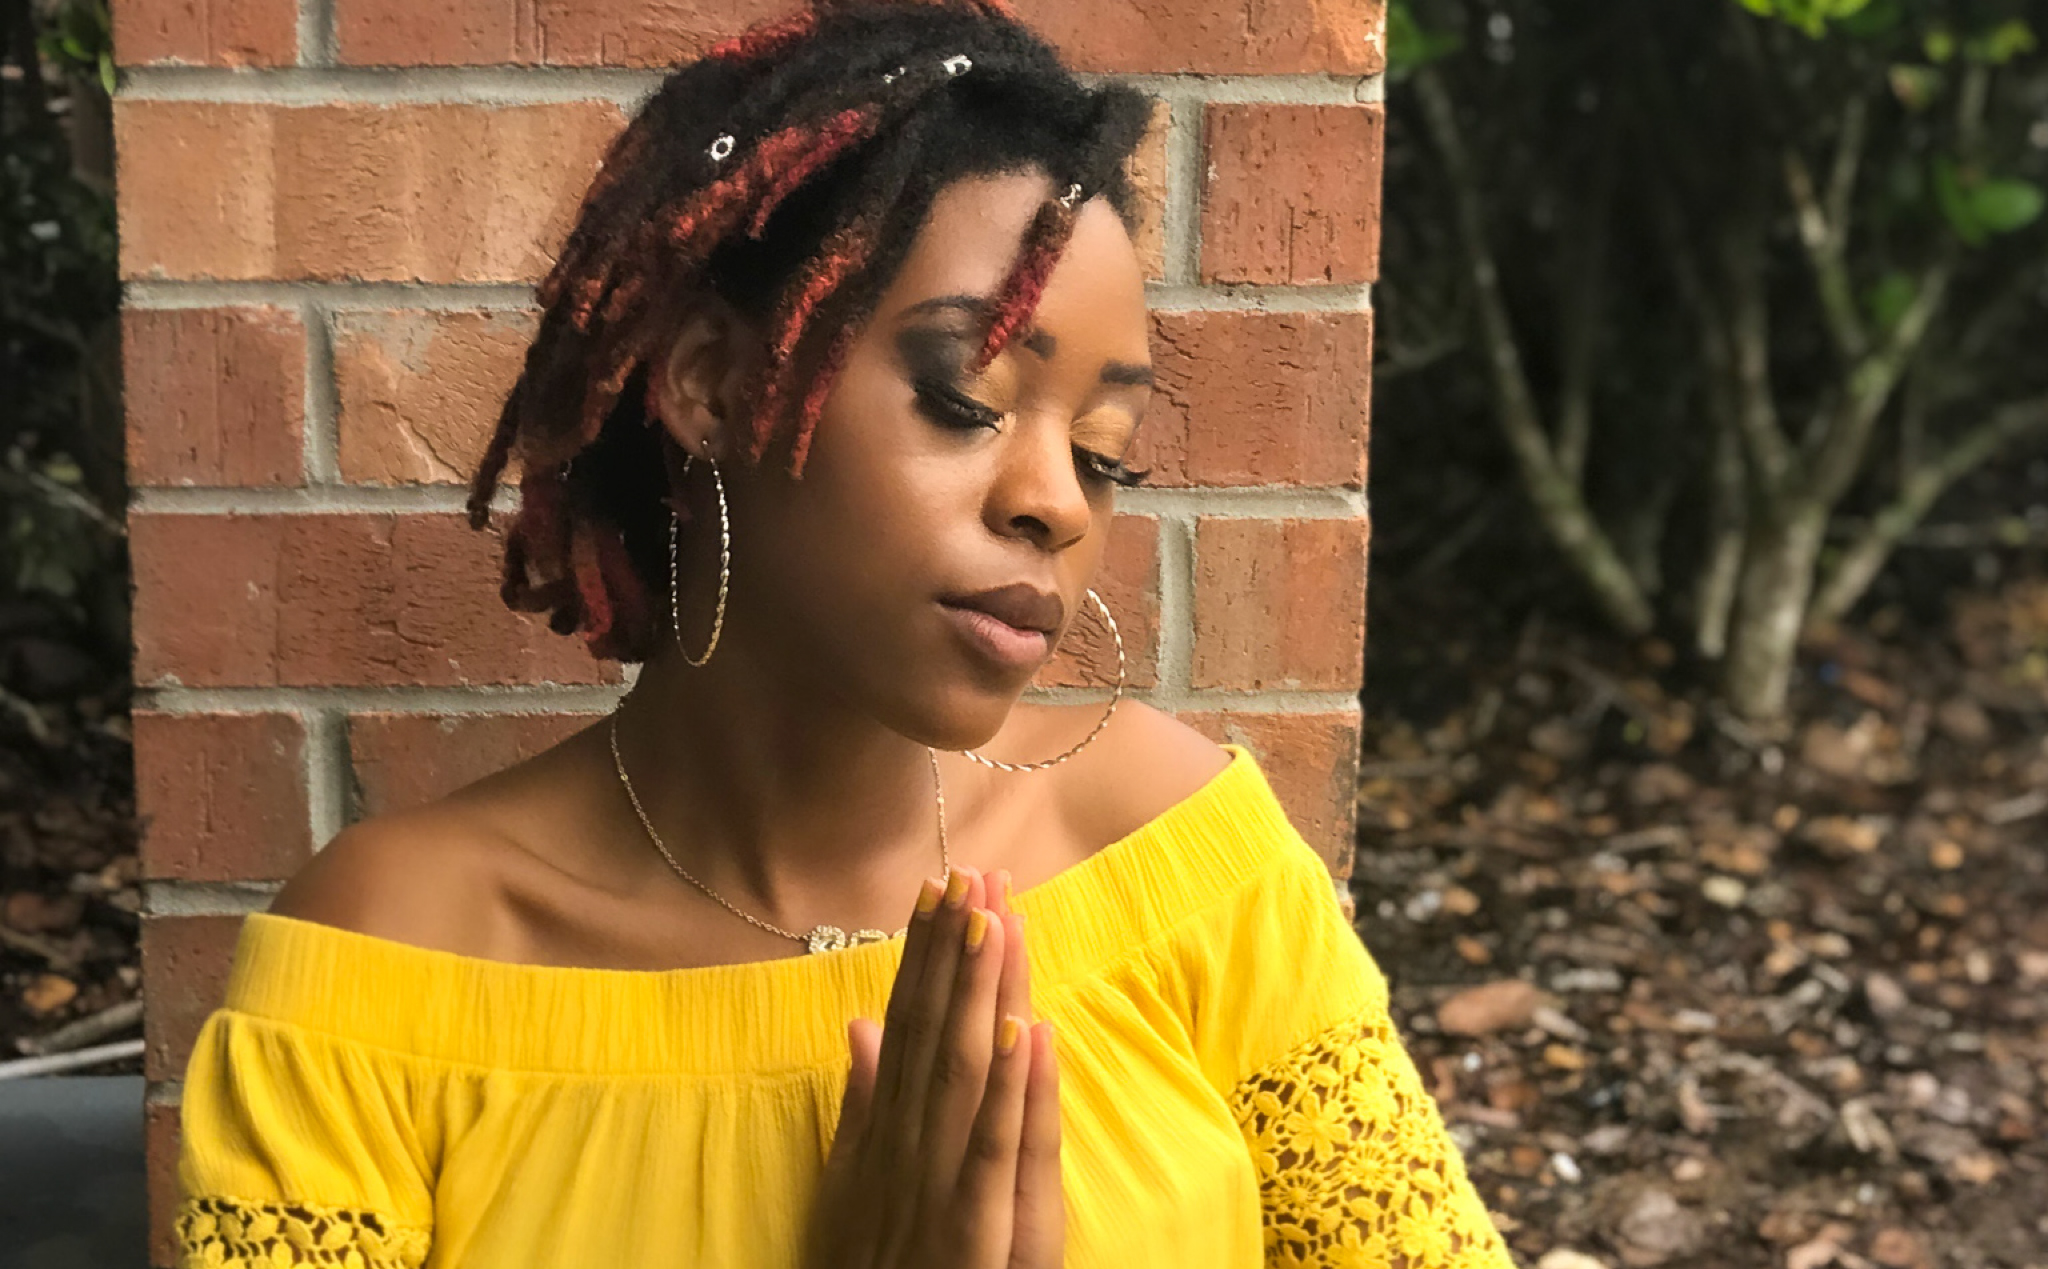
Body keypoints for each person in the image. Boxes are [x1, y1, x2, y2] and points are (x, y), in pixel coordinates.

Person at [170, 2, 1514, 1265]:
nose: (1054, 500)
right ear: (709, 382)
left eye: (1107, 453)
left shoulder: (1191, 870)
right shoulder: (386, 985)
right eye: (964, 397)